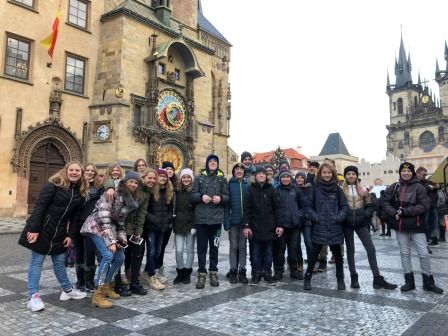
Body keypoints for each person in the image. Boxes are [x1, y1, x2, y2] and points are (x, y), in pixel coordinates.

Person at [19, 161, 88, 312]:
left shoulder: (79, 192)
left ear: (81, 174)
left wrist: (71, 235)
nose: (74, 172)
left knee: (59, 262)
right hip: (43, 230)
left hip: (61, 232)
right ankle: (33, 297)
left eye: (78, 170)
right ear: (66, 171)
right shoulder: (53, 185)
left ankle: (67, 291)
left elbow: (75, 218)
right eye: (72, 170)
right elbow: (40, 206)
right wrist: (34, 229)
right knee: (37, 262)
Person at [381, 162, 443, 294]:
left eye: (409, 171)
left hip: (417, 225)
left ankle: (428, 282)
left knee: (424, 253)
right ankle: (409, 281)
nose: (406, 173)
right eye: (403, 171)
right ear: (400, 173)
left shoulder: (419, 187)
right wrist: (393, 212)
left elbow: (424, 206)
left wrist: (405, 211)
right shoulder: (394, 186)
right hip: (400, 226)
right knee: (404, 253)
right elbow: (385, 202)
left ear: (413, 173)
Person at [85, 170, 141, 308]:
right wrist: (111, 241)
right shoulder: (112, 192)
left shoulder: (129, 200)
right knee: (108, 255)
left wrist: (122, 240)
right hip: (95, 226)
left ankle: (107, 286)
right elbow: (104, 216)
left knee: (120, 257)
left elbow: (120, 223)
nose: (133, 184)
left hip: (111, 228)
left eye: (136, 182)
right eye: (131, 181)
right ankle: (97, 294)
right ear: (125, 182)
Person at [342, 166, 397, 290]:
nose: (351, 176)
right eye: (349, 174)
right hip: (347, 223)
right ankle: (353, 277)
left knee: (371, 249)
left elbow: (372, 204)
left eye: (353, 174)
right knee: (350, 251)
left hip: (361, 222)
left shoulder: (362, 189)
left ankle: (377, 278)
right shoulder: (341, 190)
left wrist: (366, 214)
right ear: (345, 175)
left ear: (356, 176)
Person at [303, 162, 349, 291]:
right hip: (320, 226)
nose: (327, 175)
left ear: (333, 174)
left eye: (329, 172)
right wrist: (316, 217)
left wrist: (339, 218)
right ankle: (307, 278)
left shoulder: (337, 190)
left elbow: (344, 207)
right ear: (320, 174)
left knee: (338, 256)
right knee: (313, 255)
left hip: (335, 227)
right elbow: (308, 207)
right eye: (324, 172)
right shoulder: (314, 189)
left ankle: (340, 279)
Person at [191, 154, 229, 289]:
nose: (213, 163)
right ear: (207, 164)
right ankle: (201, 274)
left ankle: (214, 272)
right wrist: (201, 197)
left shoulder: (222, 179)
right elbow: (193, 195)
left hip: (216, 220)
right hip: (201, 219)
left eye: (215, 161)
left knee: (214, 248)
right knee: (201, 249)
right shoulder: (199, 178)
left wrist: (221, 198)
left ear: (217, 164)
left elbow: (227, 197)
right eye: (210, 161)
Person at [243, 166, 283, 284]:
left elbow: (277, 208)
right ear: (255, 176)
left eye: (263, 174)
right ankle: (256, 273)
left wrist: (279, 225)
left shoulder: (272, 189)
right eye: (259, 173)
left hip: (269, 227)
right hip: (254, 227)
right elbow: (246, 209)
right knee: (255, 253)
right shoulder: (250, 189)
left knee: (268, 253)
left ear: (266, 176)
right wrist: (246, 226)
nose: (261, 175)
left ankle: (267, 273)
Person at [73, 163, 104, 292]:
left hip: (91, 226)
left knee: (90, 254)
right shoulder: (77, 186)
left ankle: (89, 282)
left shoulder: (99, 187)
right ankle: (80, 281)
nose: (90, 172)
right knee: (79, 253)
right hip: (77, 223)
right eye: (87, 170)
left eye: (92, 170)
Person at [102, 163, 131, 297]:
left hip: (119, 225)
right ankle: (104, 286)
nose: (115, 172)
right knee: (109, 257)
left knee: (119, 257)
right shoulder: (106, 185)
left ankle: (114, 284)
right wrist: (109, 186)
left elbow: (128, 206)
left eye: (117, 170)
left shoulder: (123, 186)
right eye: (112, 170)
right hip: (105, 226)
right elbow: (104, 213)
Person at [143, 168, 174, 290]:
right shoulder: (151, 191)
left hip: (162, 227)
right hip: (151, 227)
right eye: (160, 176)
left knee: (158, 251)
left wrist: (167, 219)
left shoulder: (168, 192)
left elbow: (171, 209)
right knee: (151, 251)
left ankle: (147, 272)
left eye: (165, 177)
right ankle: (152, 276)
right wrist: (155, 219)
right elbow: (145, 210)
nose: (163, 178)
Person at [273, 170, 303, 280]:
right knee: (280, 249)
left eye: (287, 177)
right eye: (283, 177)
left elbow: (301, 206)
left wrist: (298, 216)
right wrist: (278, 224)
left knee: (293, 249)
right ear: (280, 179)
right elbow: (275, 209)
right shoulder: (276, 191)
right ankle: (278, 270)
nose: (285, 179)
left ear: (291, 178)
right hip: (281, 226)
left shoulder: (296, 191)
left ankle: (294, 270)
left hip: (294, 225)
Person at [224, 163, 249, 284]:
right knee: (233, 247)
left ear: (244, 172)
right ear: (234, 172)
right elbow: (226, 206)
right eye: (237, 169)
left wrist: (248, 223)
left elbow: (250, 206)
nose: (239, 171)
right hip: (233, 222)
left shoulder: (247, 185)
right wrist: (226, 222)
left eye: (241, 169)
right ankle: (233, 270)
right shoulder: (230, 185)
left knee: (243, 247)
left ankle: (242, 271)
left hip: (244, 223)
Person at [173, 168, 196, 284]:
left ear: (191, 179)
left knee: (190, 250)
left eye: (188, 177)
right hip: (179, 224)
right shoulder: (177, 191)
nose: (186, 179)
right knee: (179, 251)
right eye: (184, 177)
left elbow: (197, 210)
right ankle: (180, 272)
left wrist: (194, 225)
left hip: (191, 225)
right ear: (181, 179)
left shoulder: (195, 191)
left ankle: (187, 272)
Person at [157, 161, 177, 282]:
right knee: (156, 247)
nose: (169, 171)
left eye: (171, 169)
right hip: (158, 221)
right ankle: (152, 270)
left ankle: (159, 268)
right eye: (167, 169)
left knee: (162, 246)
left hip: (169, 221)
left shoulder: (176, 184)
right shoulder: (158, 184)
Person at [416, 167, 440, 246]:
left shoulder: (428, 181)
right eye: (423, 174)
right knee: (424, 223)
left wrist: (436, 187)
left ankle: (434, 239)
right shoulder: (415, 183)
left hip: (432, 206)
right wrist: (428, 188)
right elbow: (418, 193)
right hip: (423, 207)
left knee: (434, 223)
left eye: (426, 174)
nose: (425, 176)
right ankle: (425, 239)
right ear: (418, 174)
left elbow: (438, 186)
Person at [295, 171, 313, 271]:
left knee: (308, 241)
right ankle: (300, 263)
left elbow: (309, 204)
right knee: (297, 243)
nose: (299, 179)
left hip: (306, 219)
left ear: (304, 179)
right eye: (297, 177)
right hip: (296, 220)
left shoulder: (309, 189)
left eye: (301, 178)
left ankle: (311, 262)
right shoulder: (293, 189)